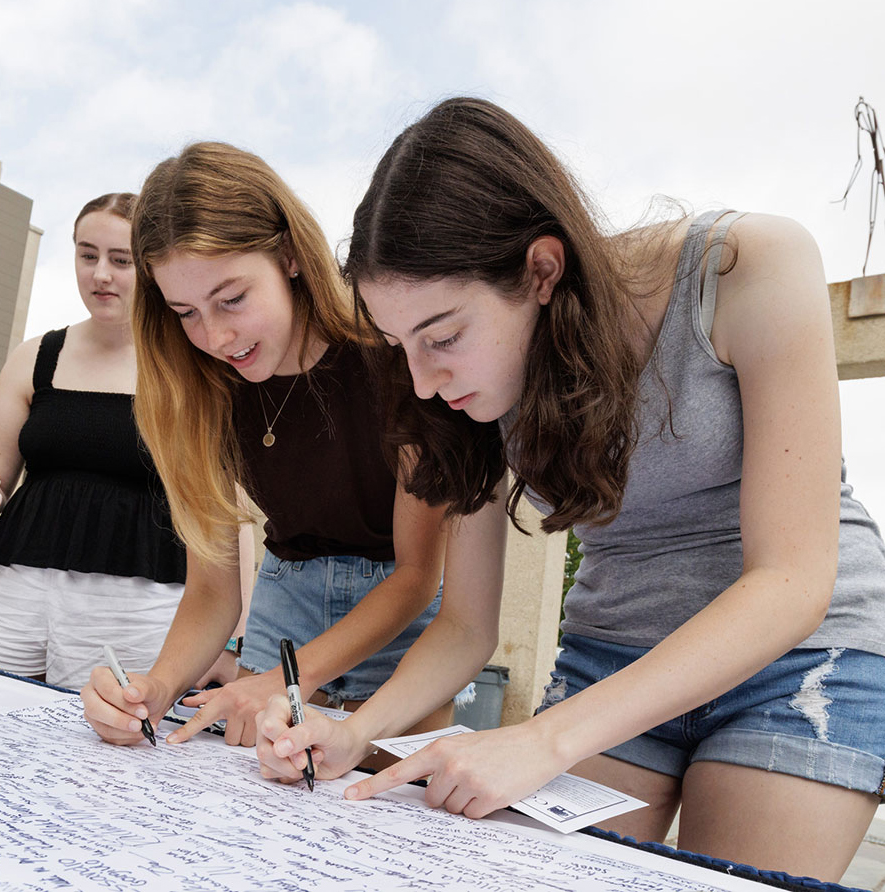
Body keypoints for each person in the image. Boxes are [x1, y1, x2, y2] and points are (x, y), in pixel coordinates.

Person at [257, 97, 885, 882]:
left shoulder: (745, 265)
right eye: (398, 343)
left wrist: (541, 739)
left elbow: (791, 580)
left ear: (541, 269)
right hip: (608, 657)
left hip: (801, 657)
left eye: (444, 336)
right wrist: (357, 729)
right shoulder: (460, 391)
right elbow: (464, 625)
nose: (421, 378)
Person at [81, 143, 507, 754]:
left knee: (380, 805)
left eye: (231, 299)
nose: (216, 336)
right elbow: (212, 589)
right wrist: (155, 687)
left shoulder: (394, 355)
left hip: (399, 613)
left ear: (288, 256)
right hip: (283, 602)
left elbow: (417, 575)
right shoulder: (194, 387)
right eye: (186, 312)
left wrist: (288, 680)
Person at [0, 193, 190, 690]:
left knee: (107, 748)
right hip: (15, 584)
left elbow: (223, 514)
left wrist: (232, 634)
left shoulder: (186, 365)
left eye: (120, 260)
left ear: (153, 266)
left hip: (137, 597)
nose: (100, 274)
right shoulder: (34, 354)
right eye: (87, 255)